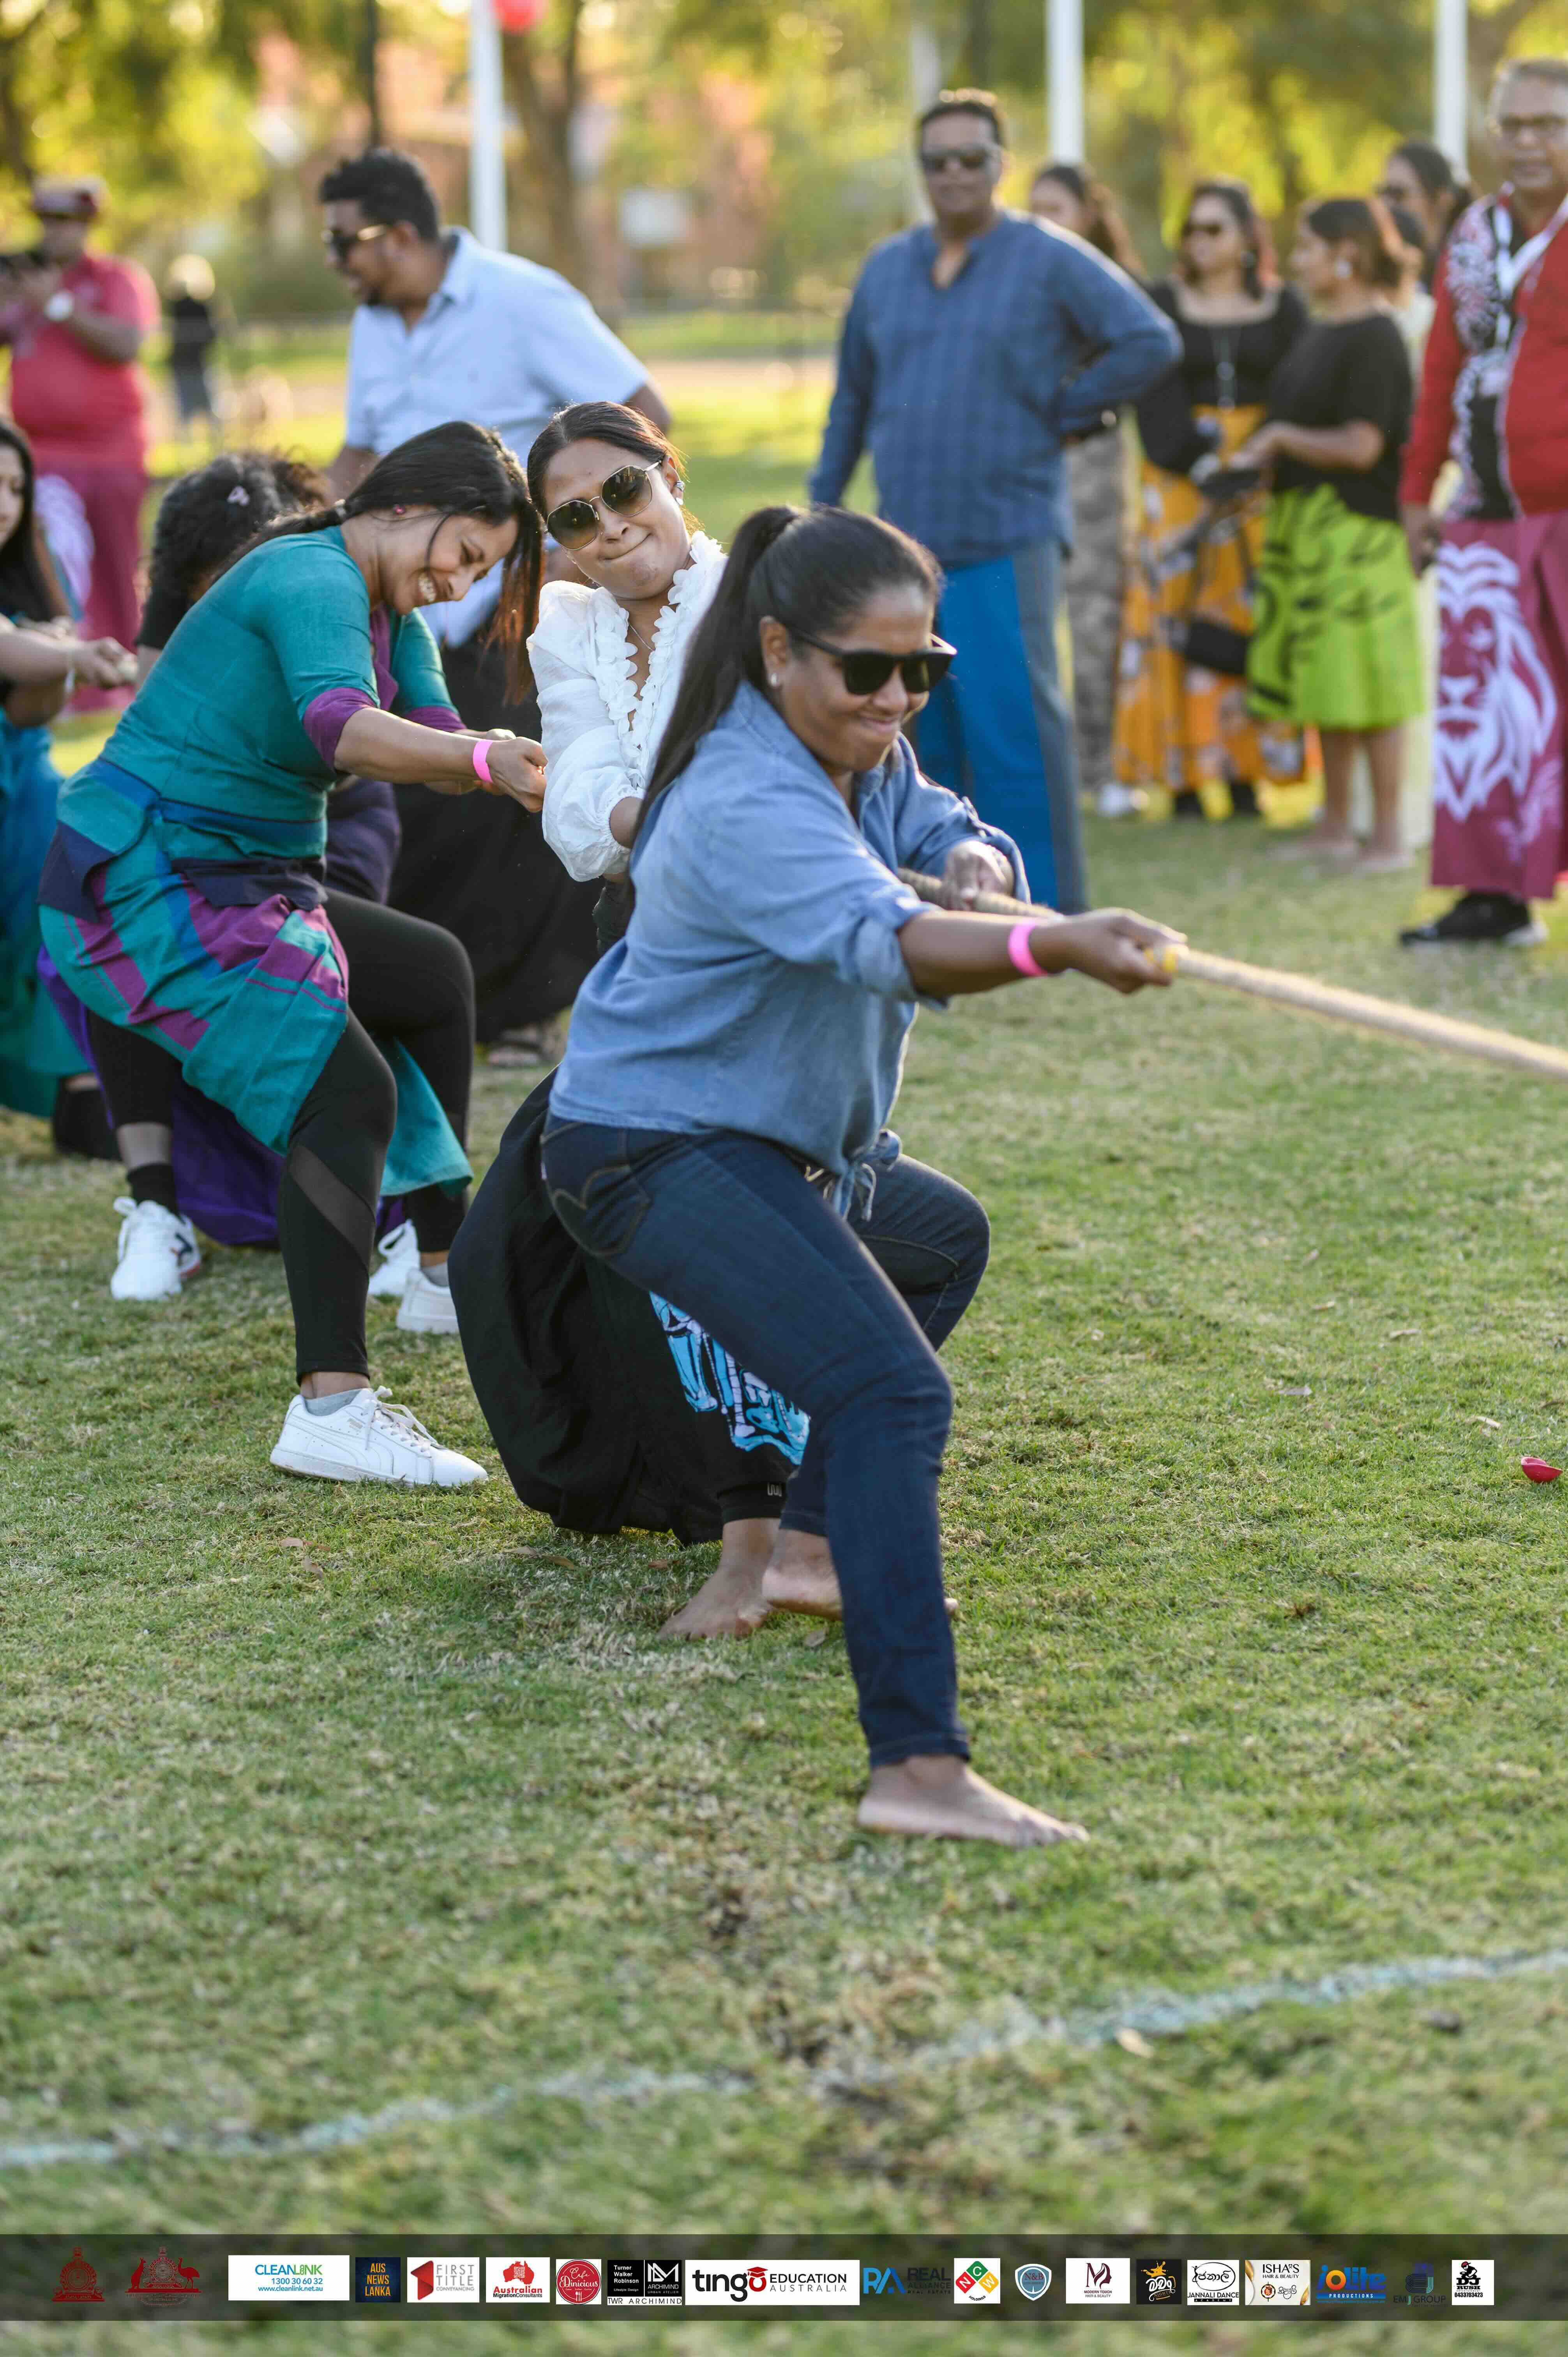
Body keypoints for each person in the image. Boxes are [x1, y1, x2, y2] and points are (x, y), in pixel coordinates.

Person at [539, 500, 1183, 1843]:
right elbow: (886, 942)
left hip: (759, 1141)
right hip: (650, 1147)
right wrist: (1053, 943)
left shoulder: (855, 748)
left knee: (940, 1241)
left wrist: (971, 860)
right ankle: (917, 1769)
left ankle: (814, 1544)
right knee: (891, 1390)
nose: (896, 698)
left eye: (921, 670)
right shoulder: (741, 794)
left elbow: (939, 825)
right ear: (780, 650)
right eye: (869, 670)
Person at [456, 403, 929, 1639]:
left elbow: (840, 769)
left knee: (708, 1224)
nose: (609, 529)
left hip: (758, 943)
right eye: (574, 517)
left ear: (672, 476)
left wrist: (659, 816)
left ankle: (772, 1526)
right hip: (644, 943)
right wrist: (660, 818)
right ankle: (746, 1508)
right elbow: (580, 817)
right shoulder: (568, 627)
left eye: (626, 492)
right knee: (546, 1234)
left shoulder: (759, 600)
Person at [37, 422, 547, 1487]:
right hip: (148, 878)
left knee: (427, 974)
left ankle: (440, 1268)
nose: (459, 584)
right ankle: (332, 1407)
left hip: (250, 875)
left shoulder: (390, 607)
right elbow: (342, 728)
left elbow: (440, 741)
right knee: (344, 1091)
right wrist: (486, 762)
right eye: (463, 553)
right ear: (406, 504)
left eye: (482, 571)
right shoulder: (311, 575)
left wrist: (532, 765)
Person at [318, 147, 671, 1060]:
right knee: (423, 793)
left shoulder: (523, 299)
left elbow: (640, 411)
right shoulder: (373, 326)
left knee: (526, 794)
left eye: (343, 242)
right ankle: (422, 996)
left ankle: (520, 1013)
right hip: (409, 602)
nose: (335, 261)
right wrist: (307, 531)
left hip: (513, 599)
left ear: (398, 235)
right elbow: (361, 451)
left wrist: (565, 557)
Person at [43, 447, 421, 1266]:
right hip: (201, 854)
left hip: (317, 847)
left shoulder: (341, 598)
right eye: (208, 587)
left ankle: (409, 1213)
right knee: (112, 913)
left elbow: (349, 746)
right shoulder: (191, 626)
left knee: (380, 973)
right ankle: (155, 1204)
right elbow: (158, 714)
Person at [808, 90, 1178, 910]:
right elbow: (851, 402)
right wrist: (819, 511)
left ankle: (1045, 911)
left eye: (970, 159)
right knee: (920, 733)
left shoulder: (1043, 256)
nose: (953, 174)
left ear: (999, 165)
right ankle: (946, 908)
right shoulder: (886, 269)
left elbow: (1148, 338)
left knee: (1014, 730)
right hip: (904, 551)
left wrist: (1064, 409)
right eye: (936, 162)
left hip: (1007, 534)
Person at [1398, 60, 1568, 949]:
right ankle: (1489, 897)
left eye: (1547, 124)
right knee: (1482, 713)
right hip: (1479, 514)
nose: (1526, 142)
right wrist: (1414, 492)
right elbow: (1439, 369)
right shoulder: (1471, 231)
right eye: (1511, 125)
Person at [1114, 178, 1311, 820]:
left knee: (1248, 616)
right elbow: (1151, 388)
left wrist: (1254, 458)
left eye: (1213, 229)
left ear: (1247, 237)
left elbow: (1298, 387)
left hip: (1260, 480)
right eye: (1190, 229)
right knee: (1172, 614)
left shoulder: (1283, 308)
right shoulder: (1161, 302)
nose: (1198, 241)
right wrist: (1198, 463)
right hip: (1178, 481)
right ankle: (1183, 779)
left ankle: (1248, 773)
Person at [1240, 199, 1423, 870]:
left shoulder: (1377, 336)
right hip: (1305, 532)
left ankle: (1387, 836)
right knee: (1327, 682)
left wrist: (1280, 439)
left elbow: (1362, 445)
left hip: (1356, 534)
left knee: (1371, 687)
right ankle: (1335, 823)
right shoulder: (1320, 330)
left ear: (1347, 253)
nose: (1296, 262)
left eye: (1308, 248)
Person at [0, 419, 135, 1148]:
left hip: (19, 774)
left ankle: (81, 1084)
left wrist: (61, 660)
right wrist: (72, 654)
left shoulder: (34, 566)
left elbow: (29, 710)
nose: (5, 503)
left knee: (67, 844)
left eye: (16, 487)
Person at [0, 176, 158, 669]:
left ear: (87, 224)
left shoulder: (115, 279)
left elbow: (125, 345)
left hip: (112, 453)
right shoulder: (24, 285)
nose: (53, 230)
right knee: (56, 566)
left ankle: (126, 666)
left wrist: (58, 306)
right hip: (43, 456)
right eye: (46, 219)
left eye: (65, 220)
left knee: (117, 567)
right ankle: (66, 669)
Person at [1028, 163, 1143, 816]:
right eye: (1034, 207)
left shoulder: (1104, 288)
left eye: (1056, 208)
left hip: (1091, 461)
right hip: (1022, 463)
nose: (1042, 221)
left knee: (1097, 615)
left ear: (1087, 216)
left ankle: (1100, 767)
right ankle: (1037, 766)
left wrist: (1068, 407)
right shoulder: (1012, 281)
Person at [1376, 140, 1474, 288]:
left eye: (1398, 194)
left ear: (1443, 199)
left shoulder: (1467, 272)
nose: (1387, 204)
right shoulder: (1381, 269)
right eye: (1383, 193)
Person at [164, 254, 220, 447]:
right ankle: (191, 447)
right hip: (188, 365)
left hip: (196, 364)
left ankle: (210, 445)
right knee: (191, 411)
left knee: (203, 409)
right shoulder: (184, 307)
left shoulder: (189, 307)